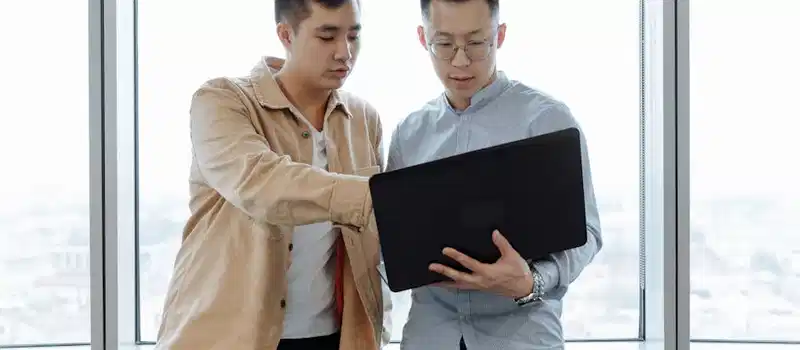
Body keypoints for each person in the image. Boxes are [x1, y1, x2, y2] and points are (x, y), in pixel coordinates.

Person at [154, 1, 391, 349]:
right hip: (228, 340)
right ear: (286, 35)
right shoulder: (222, 101)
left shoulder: (364, 118)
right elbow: (263, 185)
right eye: (327, 36)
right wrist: (381, 195)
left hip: (333, 338)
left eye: (353, 36)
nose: (345, 52)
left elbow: (371, 243)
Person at [387, 0, 604, 349]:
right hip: (429, 335)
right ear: (423, 38)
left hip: (522, 336)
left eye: (476, 43)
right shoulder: (409, 133)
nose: (460, 61)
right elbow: (392, 239)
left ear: (499, 36)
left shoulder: (546, 121)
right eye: (444, 44)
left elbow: (588, 233)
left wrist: (532, 281)